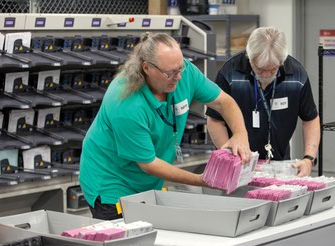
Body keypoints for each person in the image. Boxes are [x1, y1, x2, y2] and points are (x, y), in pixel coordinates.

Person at [79, 32, 251, 220]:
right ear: (147, 68)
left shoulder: (184, 72)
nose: (178, 77)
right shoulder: (126, 102)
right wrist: (200, 180)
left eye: (180, 68)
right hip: (111, 180)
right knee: (127, 242)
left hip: (147, 179)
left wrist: (240, 134)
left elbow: (223, 102)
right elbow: (149, 164)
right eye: (170, 73)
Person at [206, 26, 320, 177]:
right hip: (237, 162)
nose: (266, 74)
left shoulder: (297, 75)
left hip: (278, 163)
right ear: (250, 57)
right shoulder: (230, 72)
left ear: (282, 60)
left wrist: (309, 159)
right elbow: (215, 120)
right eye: (259, 69)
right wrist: (229, 157)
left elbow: (310, 119)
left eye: (273, 69)